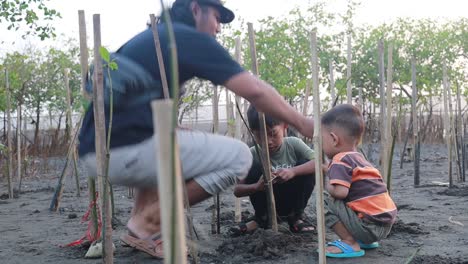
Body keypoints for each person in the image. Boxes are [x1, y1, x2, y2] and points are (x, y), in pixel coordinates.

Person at [78, 0, 314, 258]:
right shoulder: (187, 38)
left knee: (174, 142)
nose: (219, 29)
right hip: (128, 150)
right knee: (240, 156)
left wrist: (175, 128)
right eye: (216, 18)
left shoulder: (153, 36)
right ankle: (151, 219)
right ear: (195, 9)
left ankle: (140, 228)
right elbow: (256, 91)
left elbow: (134, 99)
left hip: (96, 152)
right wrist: (303, 123)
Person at [320, 104, 397, 258]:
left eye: (322, 140)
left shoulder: (339, 159)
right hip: (385, 226)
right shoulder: (360, 159)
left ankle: (349, 242)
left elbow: (341, 192)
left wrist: (326, 184)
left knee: (324, 201)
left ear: (334, 139)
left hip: (368, 228)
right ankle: (362, 240)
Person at [232, 105, 318, 235]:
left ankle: (296, 217)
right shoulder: (251, 154)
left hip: (292, 200)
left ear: (284, 127)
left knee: (307, 166)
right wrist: (256, 186)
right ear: (252, 133)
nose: (268, 142)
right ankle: (261, 219)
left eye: (273, 134)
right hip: (266, 202)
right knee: (254, 167)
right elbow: (237, 190)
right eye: (260, 137)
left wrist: (293, 171)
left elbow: (320, 163)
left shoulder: (293, 144)